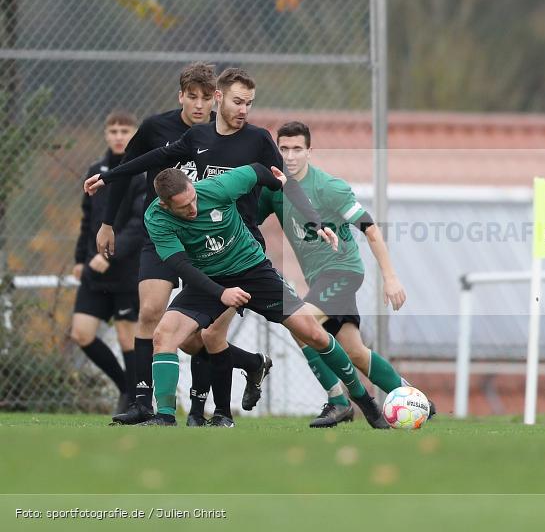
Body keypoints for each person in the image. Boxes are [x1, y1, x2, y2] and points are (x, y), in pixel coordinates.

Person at [86, 64, 269, 426]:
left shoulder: (223, 132)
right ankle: (143, 401)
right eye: (192, 97)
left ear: (215, 97)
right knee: (151, 312)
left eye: (206, 98)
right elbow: (133, 167)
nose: (200, 105)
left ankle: (204, 407)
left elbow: (256, 182)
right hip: (163, 236)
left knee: (201, 335)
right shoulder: (156, 128)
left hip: (207, 240)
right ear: (180, 96)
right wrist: (107, 221)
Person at [140, 164, 380, 427]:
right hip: (207, 280)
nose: (193, 209)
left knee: (313, 333)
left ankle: (363, 399)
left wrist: (301, 205)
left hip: (253, 270)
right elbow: (181, 265)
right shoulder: (156, 217)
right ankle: (164, 417)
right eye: (184, 208)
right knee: (164, 336)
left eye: (193, 199)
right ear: (165, 205)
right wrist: (221, 293)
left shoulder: (219, 187)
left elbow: (261, 171)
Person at [257, 122, 433, 428]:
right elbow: (248, 220)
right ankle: (413, 398)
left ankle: (338, 401)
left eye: (297, 148)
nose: (291, 155)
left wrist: (390, 278)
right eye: (284, 149)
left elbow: (371, 229)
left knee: (299, 324)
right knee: (355, 352)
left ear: (310, 151)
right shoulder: (275, 189)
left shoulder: (328, 188)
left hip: (343, 271)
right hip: (320, 281)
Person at [71, 110, 144, 414]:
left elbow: (139, 225)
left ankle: (135, 400)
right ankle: (127, 388)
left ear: (134, 134)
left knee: (128, 338)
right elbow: (88, 221)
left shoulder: (141, 173)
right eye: (113, 131)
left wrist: (107, 255)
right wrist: (80, 259)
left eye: (124, 131)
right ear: (106, 134)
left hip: (127, 273)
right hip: (94, 273)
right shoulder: (95, 170)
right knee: (82, 333)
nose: (118, 136)